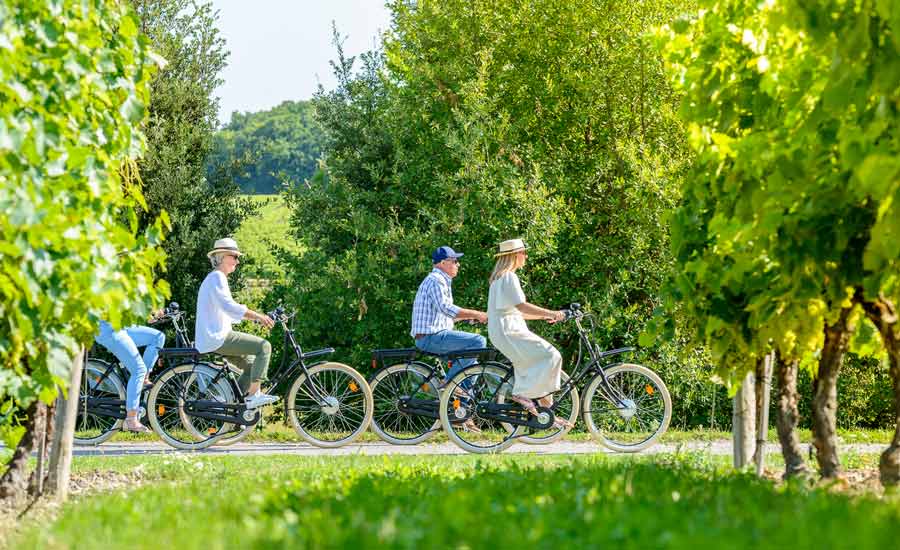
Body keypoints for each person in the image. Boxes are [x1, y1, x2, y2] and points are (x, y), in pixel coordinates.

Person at [486, 238, 572, 429]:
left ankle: (547, 412)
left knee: (537, 364)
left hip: (505, 329)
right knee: (551, 354)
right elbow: (521, 305)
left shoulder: (498, 279)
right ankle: (522, 394)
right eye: (524, 253)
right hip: (509, 330)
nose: (526, 256)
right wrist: (552, 313)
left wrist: (544, 317)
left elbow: (515, 311)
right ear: (514, 255)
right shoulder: (509, 277)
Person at [195, 238, 278, 409]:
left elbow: (228, 312)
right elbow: (229, 306)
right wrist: (258, 316)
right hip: (218, 337)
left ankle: (232, 403)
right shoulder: (217, 277)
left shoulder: (216, 278)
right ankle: (254, 395)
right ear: (222, 257)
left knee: (250, 365)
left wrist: (255, 319)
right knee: (264, 347)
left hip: (216, 336)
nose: (237, 261)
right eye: (234, 256)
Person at [411, 245, 489, 385]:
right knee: (478, 342)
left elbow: (445, 314)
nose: (458, 264)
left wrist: (471, 317)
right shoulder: (436, 280)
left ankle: (460, 405)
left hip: (433, 336)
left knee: (472, 367)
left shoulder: (440, 280)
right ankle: (449, 384)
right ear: (443, 263)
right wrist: (477, 313)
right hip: (431, 337)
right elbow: (446, 308)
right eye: (454, 261)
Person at [94, 321, 166, 432]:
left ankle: (143, 379)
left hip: (122, 325)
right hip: (109, 329)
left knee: (158, 337)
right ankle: (131, 419)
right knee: (138, 370)